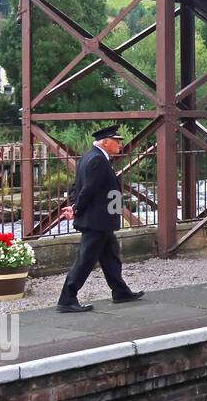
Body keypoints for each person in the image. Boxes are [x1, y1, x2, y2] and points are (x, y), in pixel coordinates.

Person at [57, 125, 144, 312]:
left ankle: (120, 291)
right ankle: (67, 299)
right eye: (117, 141)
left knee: (110, 256)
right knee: (85, 260)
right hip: (96, 220)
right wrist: (77, 208)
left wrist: (73, 205)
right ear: (105, 142)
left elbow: (75, 186)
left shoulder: (89, 156)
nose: (120, 145)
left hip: (101, 220)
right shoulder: (98, 160)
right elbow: (88, 189)